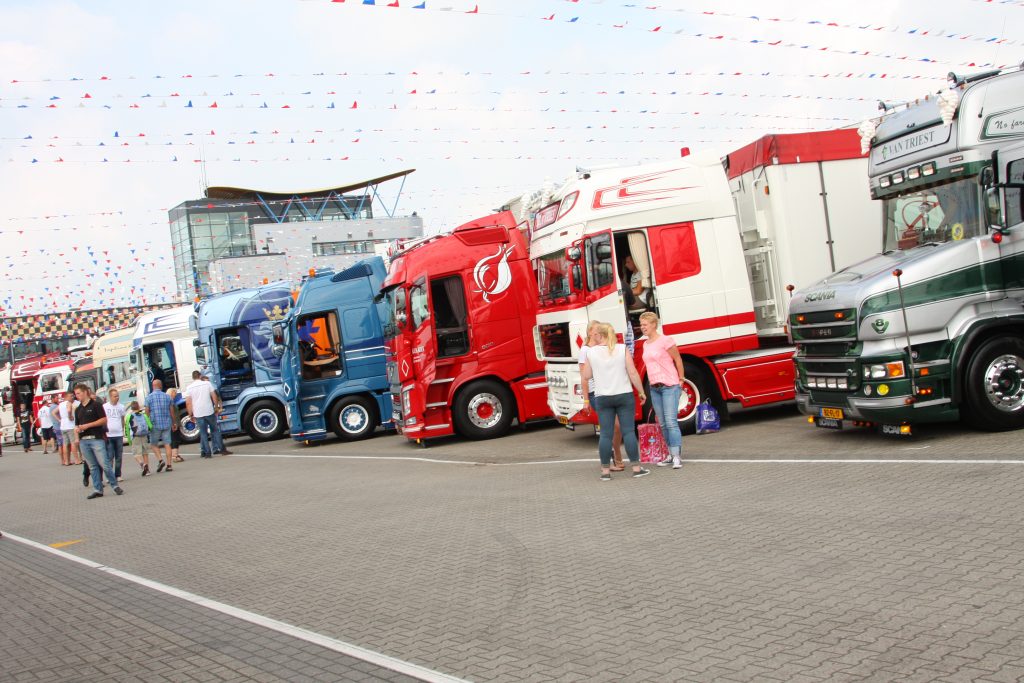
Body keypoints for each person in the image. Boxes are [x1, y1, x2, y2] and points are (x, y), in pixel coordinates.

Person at [580, 322, 650, 481]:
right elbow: (632, 372)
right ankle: (636, 468)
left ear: (600, 335)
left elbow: (586, 375)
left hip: (603, 397)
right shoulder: (621, 348)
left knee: (605, 434)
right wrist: (640, 391)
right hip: (623, 394)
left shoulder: (591, 352)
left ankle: (605, 472)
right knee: (628, 432)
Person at [639, 312, 686, 470]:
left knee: (671, 422)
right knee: (663, 423)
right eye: (641, 324)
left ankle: (676, 456)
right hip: (655, 387)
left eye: (645, 324)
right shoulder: (646, 344)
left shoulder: (666, 340)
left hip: (669, 385)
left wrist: (681, 380)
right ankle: (669, 454)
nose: (642, 327)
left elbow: (678, 359)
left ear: (653, 324)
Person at [579, 321, 625, 471]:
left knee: (617, 427)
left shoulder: (602, 347)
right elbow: (583, 377)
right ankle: (607, 461)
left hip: (609, 390)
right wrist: (586, 399)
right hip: (595, 393)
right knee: (608, 428)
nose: (599, 332)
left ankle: (617, 454)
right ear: (590, 332)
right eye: (596, 330)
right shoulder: (585, 350)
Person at [74, 383, 122, 499]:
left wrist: (88, 425)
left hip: (96, 438)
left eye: (78, 393)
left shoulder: (96, 405)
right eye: (76, 394)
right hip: (84, 441)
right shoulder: (78, 409)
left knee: (104, 463)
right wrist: (77, 434)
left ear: (85, 392)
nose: (77, 396)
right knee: (92, 466)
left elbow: (104, 420)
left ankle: (114, 485)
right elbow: (77, 425)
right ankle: (97, 489)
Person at [185, 370, 231, 457]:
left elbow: (188, 403)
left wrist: (190, 414)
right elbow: (214, 396)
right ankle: (222, 449)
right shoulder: (207, 384)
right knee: (215, 430)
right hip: (209, 411)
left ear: (193, 378)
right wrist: (216, 407)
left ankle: (207, 453)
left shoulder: (189, 388)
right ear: (200, 376)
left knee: (203, 433)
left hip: (198, 413)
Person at [145, 379, 175, 473]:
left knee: (154, 444)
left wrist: (147, 423)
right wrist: (174, 422)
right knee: (167, 444)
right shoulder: (167, 397)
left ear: (153, 386)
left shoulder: (149, 398)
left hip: (155, 424)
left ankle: (160, 460)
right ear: (160, 386)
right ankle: (169, 465)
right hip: (166, 423)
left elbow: (147, 412)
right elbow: (171, 411)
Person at [103, 388, 128, 482]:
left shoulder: (121, 407)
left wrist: (122, 429)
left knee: (119, 456)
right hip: (109, 435)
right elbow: (103, 419)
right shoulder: (105, 407)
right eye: (115, 396)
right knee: (109, 456)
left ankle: (118, 474)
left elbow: (122, 418)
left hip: (118, 434)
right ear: (110, 397)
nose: (117, 398)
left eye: (118, 396)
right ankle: (109, 476)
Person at [126, 401, 152, 476]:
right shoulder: (143, 415)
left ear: (131, 408)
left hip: (135, 436)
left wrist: (129, 439)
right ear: (139, 407)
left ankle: (142, 464)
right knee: (145, 452)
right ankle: (147, 470)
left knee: (136, 453)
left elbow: (127, 428)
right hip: (144, 435)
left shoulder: (129, 416)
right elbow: (150, 426)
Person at [57, 390, 81, 466]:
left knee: (65, 444)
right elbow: (69, 410)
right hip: (70, 425)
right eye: (71, 396)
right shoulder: (69, 403)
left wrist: (59, 419)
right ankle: (77, 460)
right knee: (73, 443)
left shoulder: (60, 404)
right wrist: (70, 416)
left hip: (63, 426)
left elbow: (54, 412)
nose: (72, 397)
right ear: (66, 397)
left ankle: (67, 461)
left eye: (73, 395)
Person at [167, 388, 184, 463]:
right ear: (171, 393)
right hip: (173, 423)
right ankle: (175, 455)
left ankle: (175, 454)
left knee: (175, 438)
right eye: (175, 393)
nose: (176, 394)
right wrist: (174, 423)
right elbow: (171, 413)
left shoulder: (171, 401)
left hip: (174, 422)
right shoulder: (170, 402)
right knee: (175, 439)